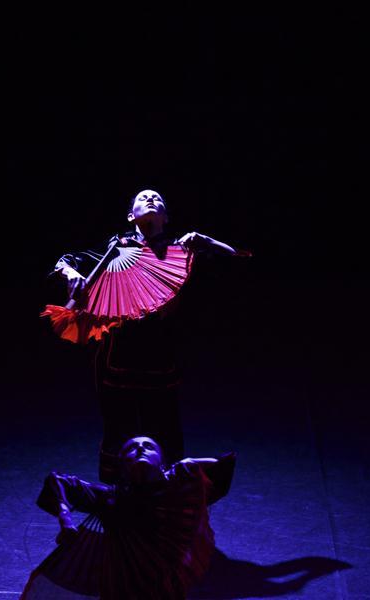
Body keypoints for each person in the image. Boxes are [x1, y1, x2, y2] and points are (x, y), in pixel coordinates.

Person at [51, 189, 245, 482]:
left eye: (158, 199)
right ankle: (117, 504)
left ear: (167, 217)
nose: (151, 199)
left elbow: (237, 262)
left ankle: (170, 504)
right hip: (117, 354)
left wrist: (208, 241)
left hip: (160, 353)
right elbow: (69, 260)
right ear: (131, 216)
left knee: (166, 430)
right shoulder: (118, 247)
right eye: (143, 198)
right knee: (119, 429)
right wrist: (69, 273)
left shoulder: (181, 250)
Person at [22, 436, 236, 600]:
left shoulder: (175, 486)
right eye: (131, 448)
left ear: (161, 461)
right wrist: (65, 518)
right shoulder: (110, 499)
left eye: (149, 446)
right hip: (121, 585)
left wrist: (186, 464)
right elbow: (57, 480)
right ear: (121, 466)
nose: (140, 448)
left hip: (162, 584)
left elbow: (221, 466)